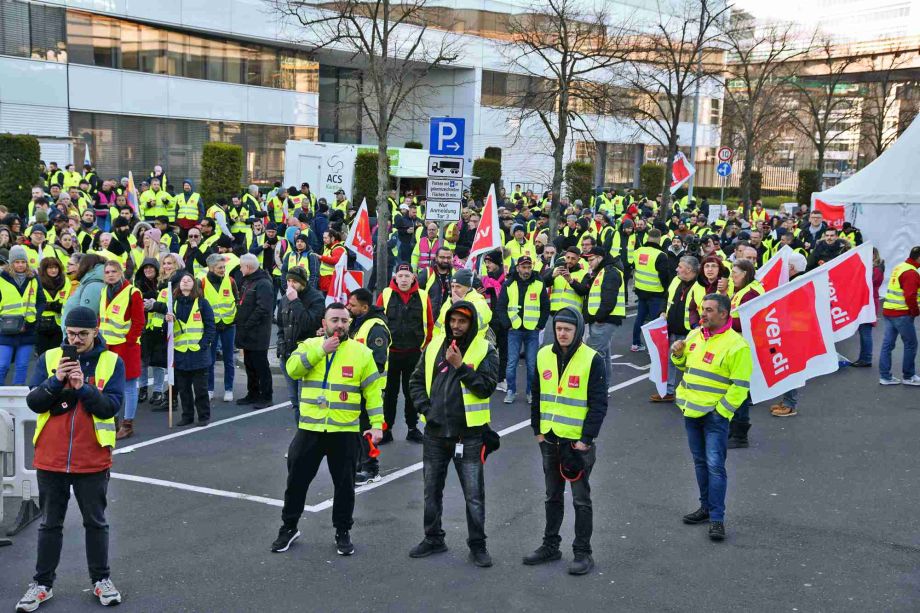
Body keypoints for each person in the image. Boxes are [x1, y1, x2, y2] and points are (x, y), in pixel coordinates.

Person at [18, 306, 125, 612]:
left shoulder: (111, 361)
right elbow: (34, 401)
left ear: (96, 330)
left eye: (82, 334)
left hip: (92, 458)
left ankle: (101, 580)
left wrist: (83, 387)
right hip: (51, 458)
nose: (75, 340)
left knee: (96, 523)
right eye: (71, 333)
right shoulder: (51, 358)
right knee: (50, 524)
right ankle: (42, 584)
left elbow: (110, 408)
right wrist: (57, 380)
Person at [271, 303, 384, 556]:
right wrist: (321, 350)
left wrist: (377, 425)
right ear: (324, 323)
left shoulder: (362, 353)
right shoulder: (310, 346)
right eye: (334, 320)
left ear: (350, 324)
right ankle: (289, 528)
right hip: (310, 429)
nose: (340, 325)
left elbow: (374, 393)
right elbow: (292, 370)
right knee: (296, 482)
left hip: (344, 432)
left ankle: (342, 531)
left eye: (344, 320)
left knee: (345, 486)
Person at [408, 301, 499, 567]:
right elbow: (415, 381)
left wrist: (460, 367)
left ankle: (478, 545)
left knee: (473, 495)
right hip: (435, 433)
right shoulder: (435, 345)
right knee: (431, 490)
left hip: (468, 436)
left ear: (472, 324)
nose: (456, 326)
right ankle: (433, 538)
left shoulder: (485, 350)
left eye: (463, 321)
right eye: (453, 320)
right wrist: (426, 409)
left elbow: (486, 388)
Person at [524, 306, 607, 575]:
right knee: (552, 497)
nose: (562, 333)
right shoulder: (542, 355)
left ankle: (583, 552)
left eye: (567, 329)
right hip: (549, 439)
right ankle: (551, 545)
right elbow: (536, 394)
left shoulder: (592, 359)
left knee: (581, 500)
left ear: (578, 331)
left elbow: (598, 404)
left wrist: (586, 439)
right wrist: (537, 429)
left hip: (576, 443)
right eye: (558, 328)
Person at [671, 293, 752, 541]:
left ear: (723, 314)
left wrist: (721, 412)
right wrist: (678, 354)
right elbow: (686, 368)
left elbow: (740, 386)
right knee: (700, 463)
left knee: (715, 467)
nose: (702, 314)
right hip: (691, 411)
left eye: (708, 310)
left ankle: (717, 518)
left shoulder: (737, 345)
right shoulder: (695, 335)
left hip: (714, 416)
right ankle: (705, 507)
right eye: (702, 309)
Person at [377, 264, 433, 444]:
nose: (403, 279)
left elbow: (430, 324)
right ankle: (387, 429)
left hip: (413, 354)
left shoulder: (423, 296)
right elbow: (376, 323)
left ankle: (412, 428)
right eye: (400, 275)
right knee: (389, 394)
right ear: (395, 277)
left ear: (413, 277)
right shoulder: (385, 294)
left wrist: (425, 347)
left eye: (406, 276)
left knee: (412, 394)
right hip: (390, 355)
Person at [346, 288, 391, 485]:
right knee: (358, 427)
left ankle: (370, 468)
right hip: (358, 384)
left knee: (367, 428)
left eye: (353, 305)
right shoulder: (359, 324)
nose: (349, 307)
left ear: (364, 307)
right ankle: (360, 464)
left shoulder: (376, 327)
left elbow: (378, 361)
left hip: (371, 386)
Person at [99, 260, 145, 440]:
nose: (110, 274)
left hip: (126, 346)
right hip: (107, 345)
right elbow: (101, 317)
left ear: (121, 273)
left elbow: (139, 321)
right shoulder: (104, 291)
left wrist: (130, 341)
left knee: (129, 386)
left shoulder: (133, 292)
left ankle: (128, 424)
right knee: (110, 385)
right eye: (107, 272)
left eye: (113, 271)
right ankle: (114, 421)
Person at [497, 256, 549, 404]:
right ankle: (511, 391)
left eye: (529, 267)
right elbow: (501, 307)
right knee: (512, 362)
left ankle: (530, 392)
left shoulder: (539, 283)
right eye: (523, 267)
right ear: (518, 268)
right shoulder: (509, 284)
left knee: (532, 364)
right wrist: (507, 325)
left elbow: (546, 306)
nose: (526, 270)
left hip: (532, 330)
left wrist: (541, 324)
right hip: (514, 329)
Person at [166, 271, 216, 426]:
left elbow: (210, 327)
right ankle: (187, 416)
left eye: (188, 280)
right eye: (183, 281)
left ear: (194, 284)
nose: (185, 282)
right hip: (180, 353)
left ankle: (203, 416)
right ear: (179, 285)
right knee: (184, 389)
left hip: (198, 353)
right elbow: (167, 330)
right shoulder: (172, 303)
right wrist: (167, 321)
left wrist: (203, 344)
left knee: (200, 389)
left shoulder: (202, 303)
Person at [571, 246, 624, 388]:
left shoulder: (610, 272)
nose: (589, 263)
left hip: (604, 321)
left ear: (600, 258)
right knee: (603, 356)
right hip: (602, 320)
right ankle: (603, 387)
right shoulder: (602, 271)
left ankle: (596, 388)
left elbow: (608, 300)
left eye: (591, 259)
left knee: (594, 356)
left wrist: (598, 318)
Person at [276, 265, 325, 416]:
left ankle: (305, 437)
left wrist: (295, 301)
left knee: (305, 402)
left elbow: (307, 324)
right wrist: (280, 347)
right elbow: (281, 326)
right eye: (288, 281)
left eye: (294, 282)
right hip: (287, 355)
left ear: (303, 283)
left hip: (305, 357)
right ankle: (301, 437)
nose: (290, 285)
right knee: (295, 402)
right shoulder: (285, 299)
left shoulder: (316, 298)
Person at [725, 259, 763, 449]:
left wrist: (723, 322)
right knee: (736, 389)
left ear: (746, 274)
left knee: (740, 390)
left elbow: (750, 323)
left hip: (743, 348)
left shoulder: (751, 293)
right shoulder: (743, 291)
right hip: (737, 345)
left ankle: (740, 435)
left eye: (735, 273)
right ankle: (734, 430)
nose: (732, 276)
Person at [0, 245, 44, 385]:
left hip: (28, 329)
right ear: (11, 263)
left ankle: (16, 396)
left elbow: (41, 300)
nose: (20, 265)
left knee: (22, 366)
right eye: (17, 262)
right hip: (5, 329)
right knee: (2, 365)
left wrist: (35, 318)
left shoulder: (34, 278)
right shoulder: (2, 278)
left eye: (23, 262)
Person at [236, 253, 275, 408]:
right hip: (247, 332)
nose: (239, 268)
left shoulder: (263, 284)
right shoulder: (248, 281)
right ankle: (252, 393)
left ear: (249, 267)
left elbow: (263, 308)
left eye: (241, 266)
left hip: (258, 333)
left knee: (260, 366)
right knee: (249, 364)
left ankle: (266, 396)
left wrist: (248, 323)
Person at [878, 246, 920, 386]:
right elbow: (910, 296)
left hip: (889, 310)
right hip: (902, 313)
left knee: (887, 345)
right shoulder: (912, 273)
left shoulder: (900, 266)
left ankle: (885, 377)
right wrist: (915, 312)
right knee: (911, 344)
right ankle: (908, 376)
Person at [202, 254, 239, 402]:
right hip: (211, 327)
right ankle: (210, 389)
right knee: (209, 360)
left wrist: (235, 317)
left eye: (223, 267)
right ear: (211, 268)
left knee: (229, 359)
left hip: (229, 325)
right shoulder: (203, 282)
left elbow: (237, 299)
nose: (223, 270)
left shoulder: (230, 281)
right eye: (219, 268)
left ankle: (228, 389)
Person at [631, 228, 671, 352]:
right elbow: (664, 275)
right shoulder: (661, 255)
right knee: (655, 322)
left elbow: (635, 268)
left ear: (647, 237)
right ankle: (654, 347)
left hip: (641, 291)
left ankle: (635, 344)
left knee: (640, 318)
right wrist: (667, 289)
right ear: (659, 238)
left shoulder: (637, 251)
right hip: (656, 293)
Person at [852, 247, 885, 368]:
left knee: (865, 331)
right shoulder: (872, 267)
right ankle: (864, 357)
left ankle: (866, 358)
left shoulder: (877, 269)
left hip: (869, 302)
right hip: (865, 302)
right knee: (863, 331)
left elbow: (869, 283)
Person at [61, 254, 107, 327]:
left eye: (71, 264)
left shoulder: (93, 286)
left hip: (76, 335)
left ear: (86, 265)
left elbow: (86, 317)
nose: (67, 266)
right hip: (72, 333)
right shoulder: (87, 281)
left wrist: (74, 336)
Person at [36, 257, 68, 355]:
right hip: (42, 323)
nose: (53, 270)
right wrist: (50, 306)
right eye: (50, 268)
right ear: (44, 269)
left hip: (59, 323)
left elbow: (70, 298)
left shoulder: (66, 281)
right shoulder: (37, 281)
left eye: (56, 267)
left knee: (56, 355)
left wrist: (60, 306)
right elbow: (35, 301)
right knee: (43, 356)